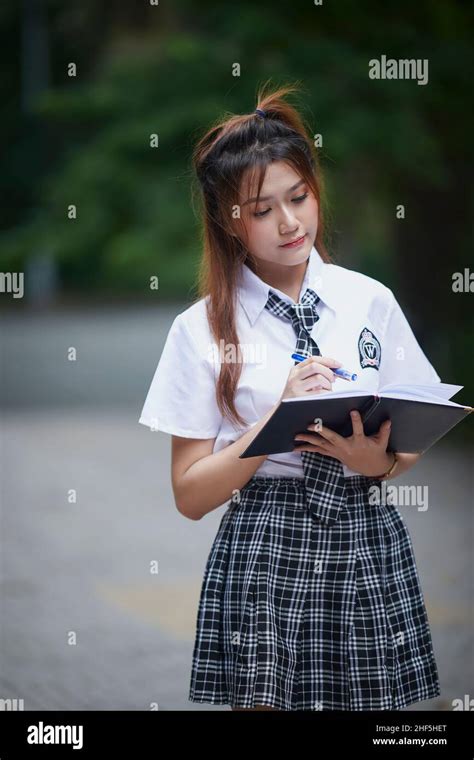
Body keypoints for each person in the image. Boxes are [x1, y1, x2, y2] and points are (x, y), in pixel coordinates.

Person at [138, 83, 441, 711]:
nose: (289, 222)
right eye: (262, 209)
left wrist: (378, 465)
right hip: (265, 547)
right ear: (230, 219)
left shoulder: (369, 300)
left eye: (298, 197)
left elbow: (410, 432)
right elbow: (190, 495)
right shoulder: (201, 330)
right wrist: (275, 421)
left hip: (364, 536)